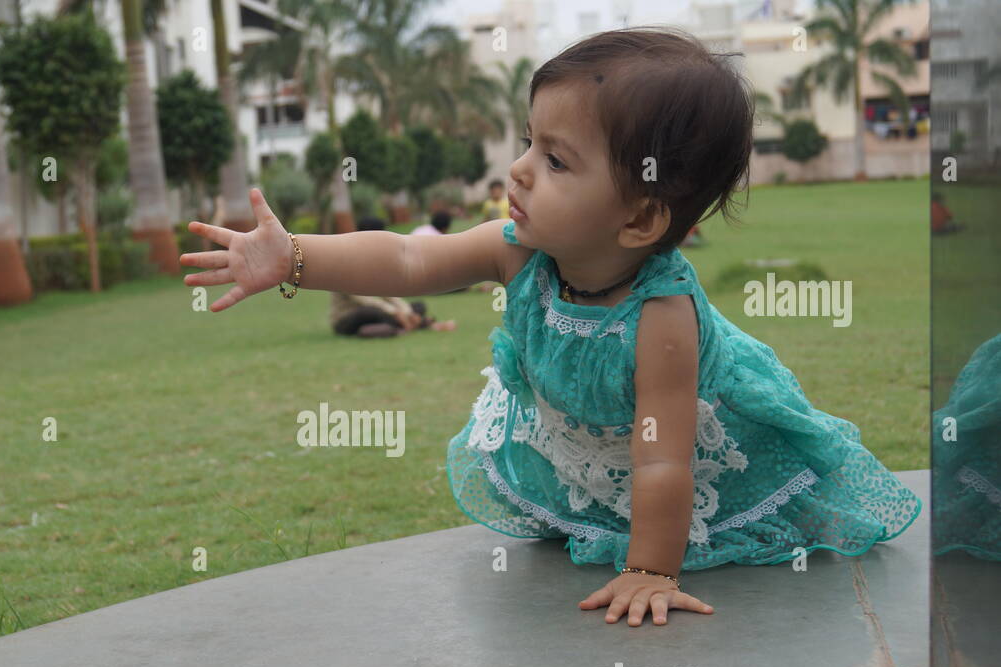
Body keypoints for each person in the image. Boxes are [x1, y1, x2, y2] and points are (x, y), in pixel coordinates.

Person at [178, 27, 921, 626]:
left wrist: (650, 569)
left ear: (640, 216)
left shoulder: (663, 318)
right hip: (592, 446)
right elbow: (409, 258)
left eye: (556, 160)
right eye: (530, 141)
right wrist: (295, 258)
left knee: (677, 489)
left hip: (681, 460)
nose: (520, 170)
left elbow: (663, 462)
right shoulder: (519, 250)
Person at [319, 216, 456, 337]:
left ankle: (407, 323)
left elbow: (386, 292)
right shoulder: (346, 261)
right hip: (348, 317)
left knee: (418, 306)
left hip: (376, 310)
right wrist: (395, 312)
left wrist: (406, 312)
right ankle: (418, 324)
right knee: (373, 312)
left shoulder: (373, 260)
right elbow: (365, 300)